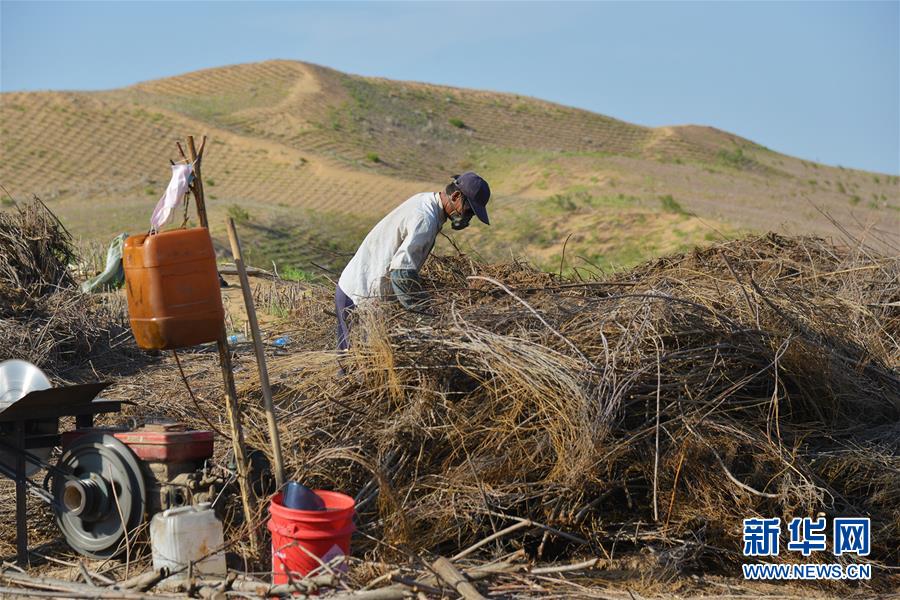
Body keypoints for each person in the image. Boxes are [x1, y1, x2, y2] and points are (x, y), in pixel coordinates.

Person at [335, 172, 491, 350]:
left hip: (355, 287)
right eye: (469, 210)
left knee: (354, 367)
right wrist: (427, 318)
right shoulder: (426, 219)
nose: (468, 217)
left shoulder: (425, 201)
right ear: (455, 196)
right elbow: (401, 273)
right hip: (358, 298)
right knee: (357, 368)